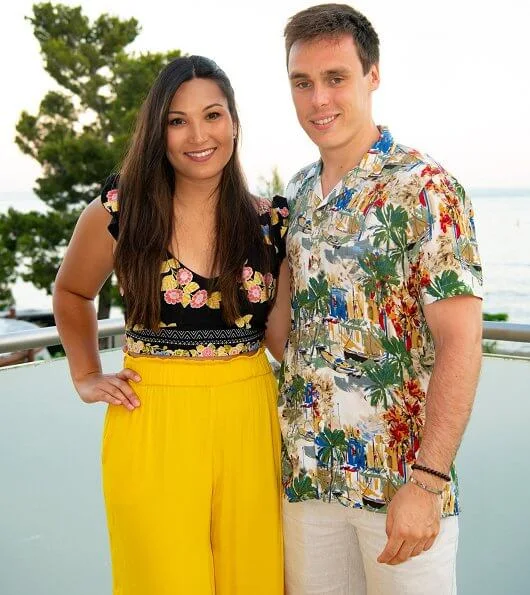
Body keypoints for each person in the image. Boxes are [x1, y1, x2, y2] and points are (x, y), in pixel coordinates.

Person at [53, 55, 290, 595]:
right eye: (177, 120)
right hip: (152, 418)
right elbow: (71, 292)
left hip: (249, 420)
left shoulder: (270, 224)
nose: (198, 135)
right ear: (157, 130)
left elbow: (283, 341)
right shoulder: (121, 212)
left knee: (253, 581)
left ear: (234, 122)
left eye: (213, 115)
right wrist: (86, 374)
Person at [278, 4, 483, 594]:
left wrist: (427, 482)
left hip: (401, 491)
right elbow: (287, 332)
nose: (319, 100)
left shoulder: (426, 187)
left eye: (335, 78)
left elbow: (461, 340)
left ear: (372, 75)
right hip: (306, 484)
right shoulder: (296, 193)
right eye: (302, 82)